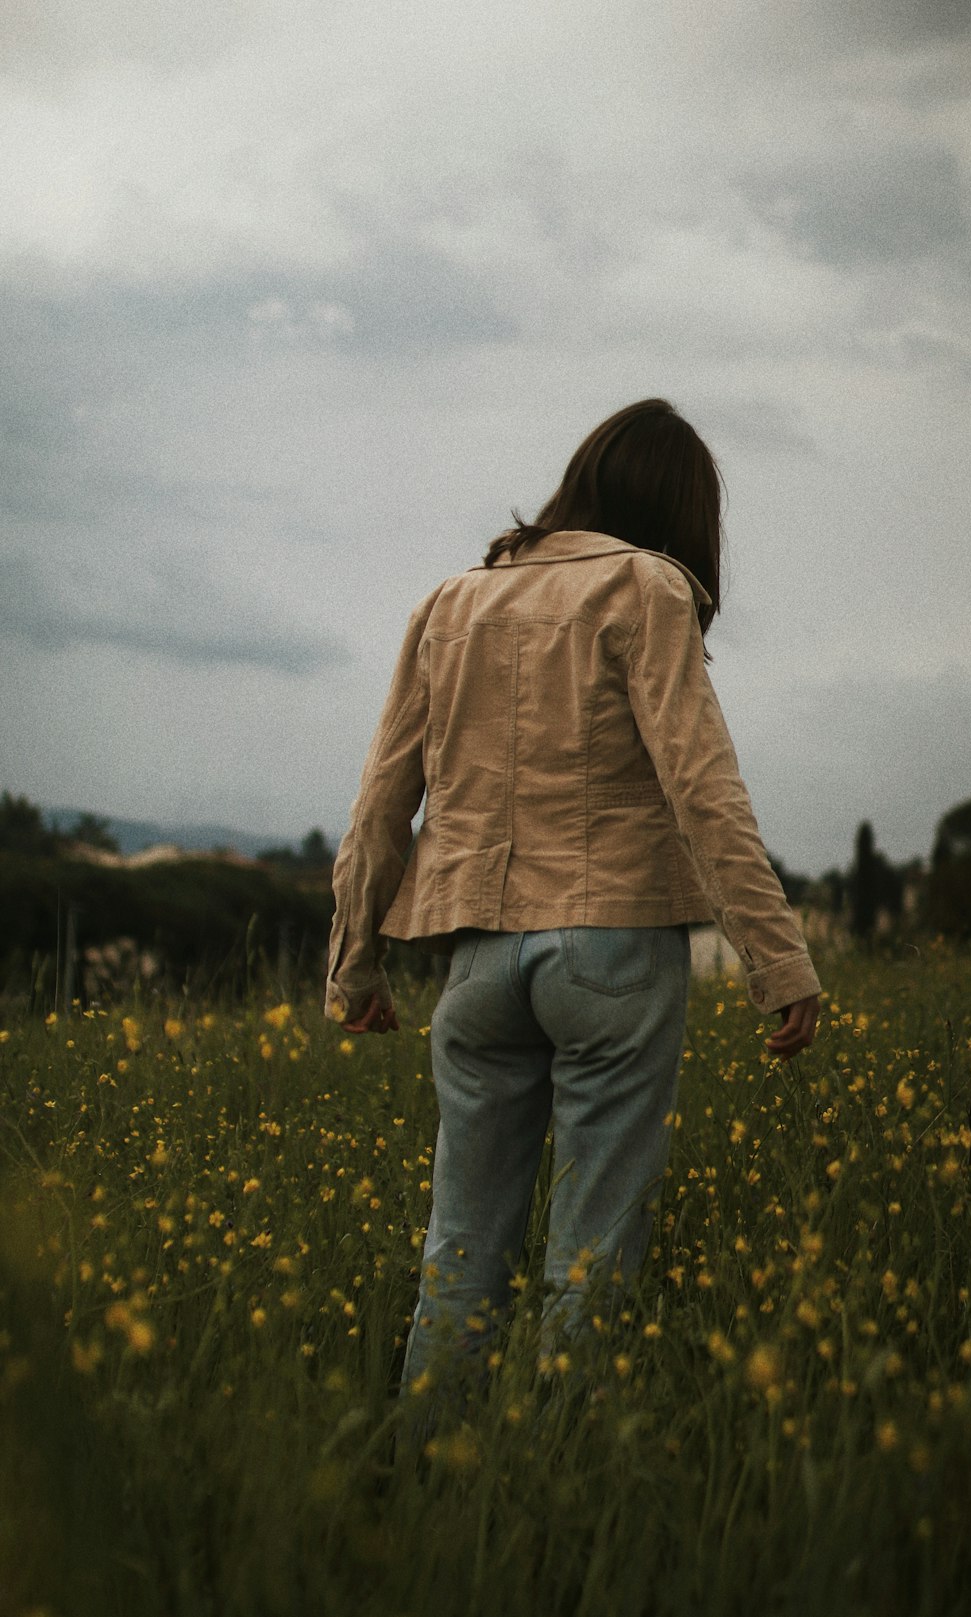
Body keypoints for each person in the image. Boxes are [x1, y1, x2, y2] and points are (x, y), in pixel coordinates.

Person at [325, 398, 820, 1398]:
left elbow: (384, 796)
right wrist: (777, 960)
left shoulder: (450, 601)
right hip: (612, 952)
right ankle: (557, 1499)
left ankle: (431, 1491)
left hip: (476, 965)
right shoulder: (649, 587)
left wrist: (354, 963)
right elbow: (702, 788)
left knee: (458, 1255)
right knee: (590, 1261)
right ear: (684, 511)